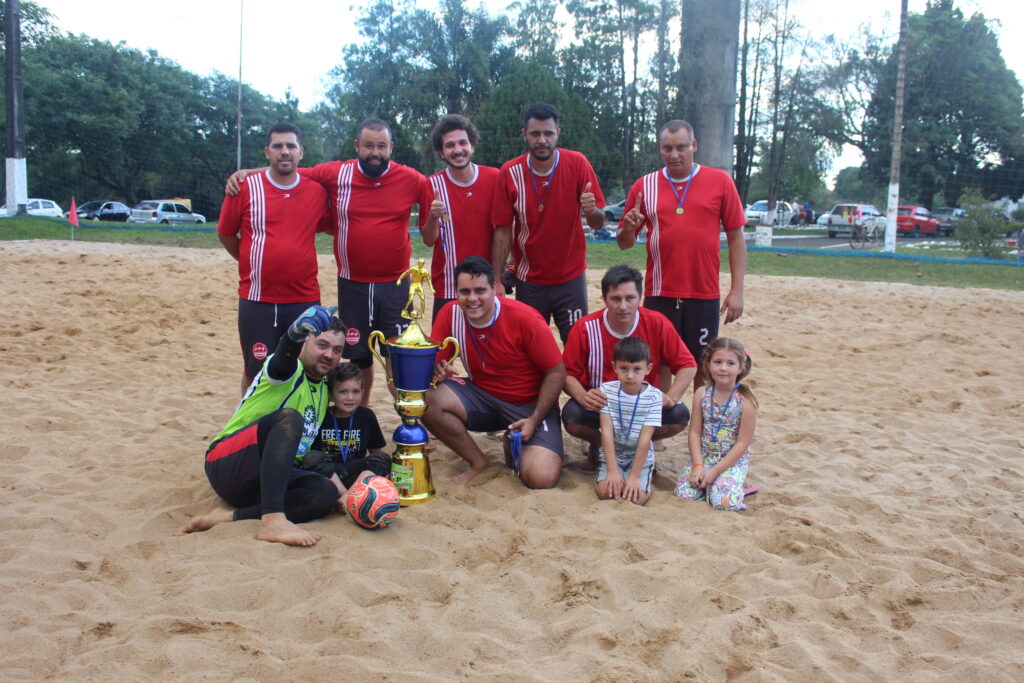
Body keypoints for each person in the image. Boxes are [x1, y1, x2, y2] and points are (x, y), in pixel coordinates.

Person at [227, 118, 427, 405]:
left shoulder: (412, 178)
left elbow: (436, 203)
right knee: (357, 356)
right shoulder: (336, 173)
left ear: (391, 147)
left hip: (395, 283)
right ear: (357, 146)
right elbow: (288, 167)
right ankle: (359, 415)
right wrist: (246, 173)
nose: (375, 152)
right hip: (352, 283)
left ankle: (412, 420)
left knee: (397, 357)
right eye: (368, 145)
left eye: (381, 146)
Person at [184, 306, 348, 546]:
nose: (329, 355)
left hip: (264, 482)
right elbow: (283, 359)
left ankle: (230, 517)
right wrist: (293, 335)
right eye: (322, 345)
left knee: (324, 494)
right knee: (289, 419)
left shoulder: (324, 387)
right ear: (305, 343)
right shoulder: (290, 371)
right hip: (228, 463)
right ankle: (272, 520)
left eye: (337, 350)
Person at [618, 119, 746, 387]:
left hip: (703, 290)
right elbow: (624, 242)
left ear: (694, 146)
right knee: (660, 361)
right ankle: (661, 421)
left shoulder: (720, 181)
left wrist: (737, 290)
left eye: (681, 147)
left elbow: (736, 237)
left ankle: (699, 422)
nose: (674, 154)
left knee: (704, 362)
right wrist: (628, 229)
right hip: (660, 290)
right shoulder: (644, 186)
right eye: (667, 148)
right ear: (660, 149)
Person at [422, 255, 566, 488]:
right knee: (426, 398)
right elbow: (432, 364)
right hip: (482, 395)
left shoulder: (525, 318)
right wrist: (436, 370)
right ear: (456, 292)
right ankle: (479, 463)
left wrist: (534, 419)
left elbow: (557, 372)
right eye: (465, 292)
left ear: (494, 289)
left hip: (529, 405)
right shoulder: (450, 314)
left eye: (480, 290)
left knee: (541, 478)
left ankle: (514, 439)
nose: (472, 299)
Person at [217, 122, 330, 393]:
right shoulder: (244, 187)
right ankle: (250, 429)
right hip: (257, 300)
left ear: (301, 152)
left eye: (291, 146)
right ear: (267, 152)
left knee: (306, 367)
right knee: (256, 371)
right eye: (278, 146)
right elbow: (226, 234)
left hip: (303, 298)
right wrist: (249, 261)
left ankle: (302, 425)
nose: (284, 151)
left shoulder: (317, 190)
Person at [490, 103, 606, 342]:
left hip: (570, 279)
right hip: (529, 281)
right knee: (530, 348)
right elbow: (502, 232)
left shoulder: (577, 163)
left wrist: (591, 210)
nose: (542, 140)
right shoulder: (509, 173)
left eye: (548, 133)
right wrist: (497, 280)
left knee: (577, 345)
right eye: (535, 134)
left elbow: (598, 223)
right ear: (524, 135)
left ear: (558, 134)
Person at [562, 264, 696, 469]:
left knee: (679, 415)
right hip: (603, 407)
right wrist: (582, 396)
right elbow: (567, 373)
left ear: (640, 297)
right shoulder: (586, 327)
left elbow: (687, 365)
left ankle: (640, 445)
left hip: (642, 407)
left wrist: (672, 397)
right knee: (572, 415)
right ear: (604, 298)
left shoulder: (657, 323)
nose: (623, 306)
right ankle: (598, 443)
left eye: (630, 298)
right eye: (615, 299)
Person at [420, 114, 500, 321]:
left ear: (472, 144)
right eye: (450, 145)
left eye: (463, 142)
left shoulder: (495, 178)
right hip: (448, 287)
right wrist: (432, 216)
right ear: (441, 152)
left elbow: (509, 230)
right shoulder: (433, 185)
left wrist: (504, 273)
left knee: (489, 350)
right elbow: (428, 239)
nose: (457, 150)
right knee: (445, 351)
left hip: (486, 286)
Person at [674, 337, 758, 511]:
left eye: (731, 363)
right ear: (708, 364)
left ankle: (738, 483)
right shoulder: (701, 394)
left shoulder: (746, 401)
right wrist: (698, 466)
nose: (723, 368)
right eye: (718, 362)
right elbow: (695, 432)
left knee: (723, 502)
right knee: (684, 494)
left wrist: (713, 473)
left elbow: (743, 443)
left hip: (730, 461)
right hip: (705, 457)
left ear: (741, 367)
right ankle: (716, 485)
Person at [299, 362, 392, 498]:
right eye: (343, 392)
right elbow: (310, 456)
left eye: (355, 391)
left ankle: (349, 495)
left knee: (382, 458)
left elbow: (376, 453)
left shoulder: (367, 416)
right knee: (311, 457)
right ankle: (348, 496)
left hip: (355, 474)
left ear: (362, 393)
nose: (350, 397)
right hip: (329, 476)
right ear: (330, 395)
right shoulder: (321, 415)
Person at [595, 338, 664, 506]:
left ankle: (643, 475)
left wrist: (634, 476)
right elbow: (606, 431)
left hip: (638, 458)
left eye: (637, 369)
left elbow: (645, 438)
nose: (630, 375)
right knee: (607, 492)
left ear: (648, 369)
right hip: (614, 456)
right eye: (624, 368)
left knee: (636, 498)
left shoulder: (654, 396)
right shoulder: (606, 390)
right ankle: (615, 473)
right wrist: (612, 470)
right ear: (614, 367)